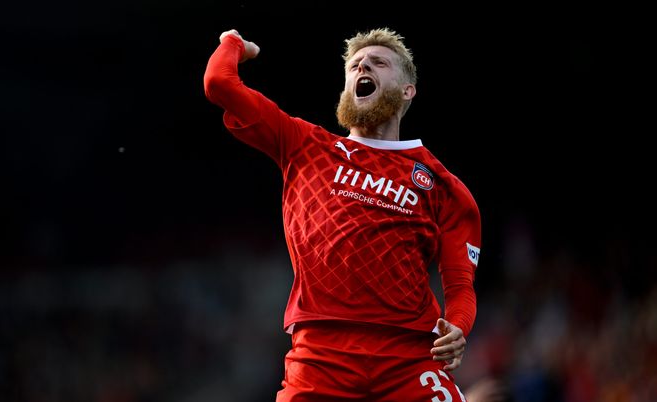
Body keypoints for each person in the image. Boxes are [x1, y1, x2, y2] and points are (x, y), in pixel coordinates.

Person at [204, 27, 481, 401]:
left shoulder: (444, 187)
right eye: (354, 65)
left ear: (407, 91)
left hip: (409, 359)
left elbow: (461, 286)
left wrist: (459, 327)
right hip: (321, 358)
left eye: (379, 62)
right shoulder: (304, 145)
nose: (363, 64)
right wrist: (234, 42)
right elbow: (219, 83)